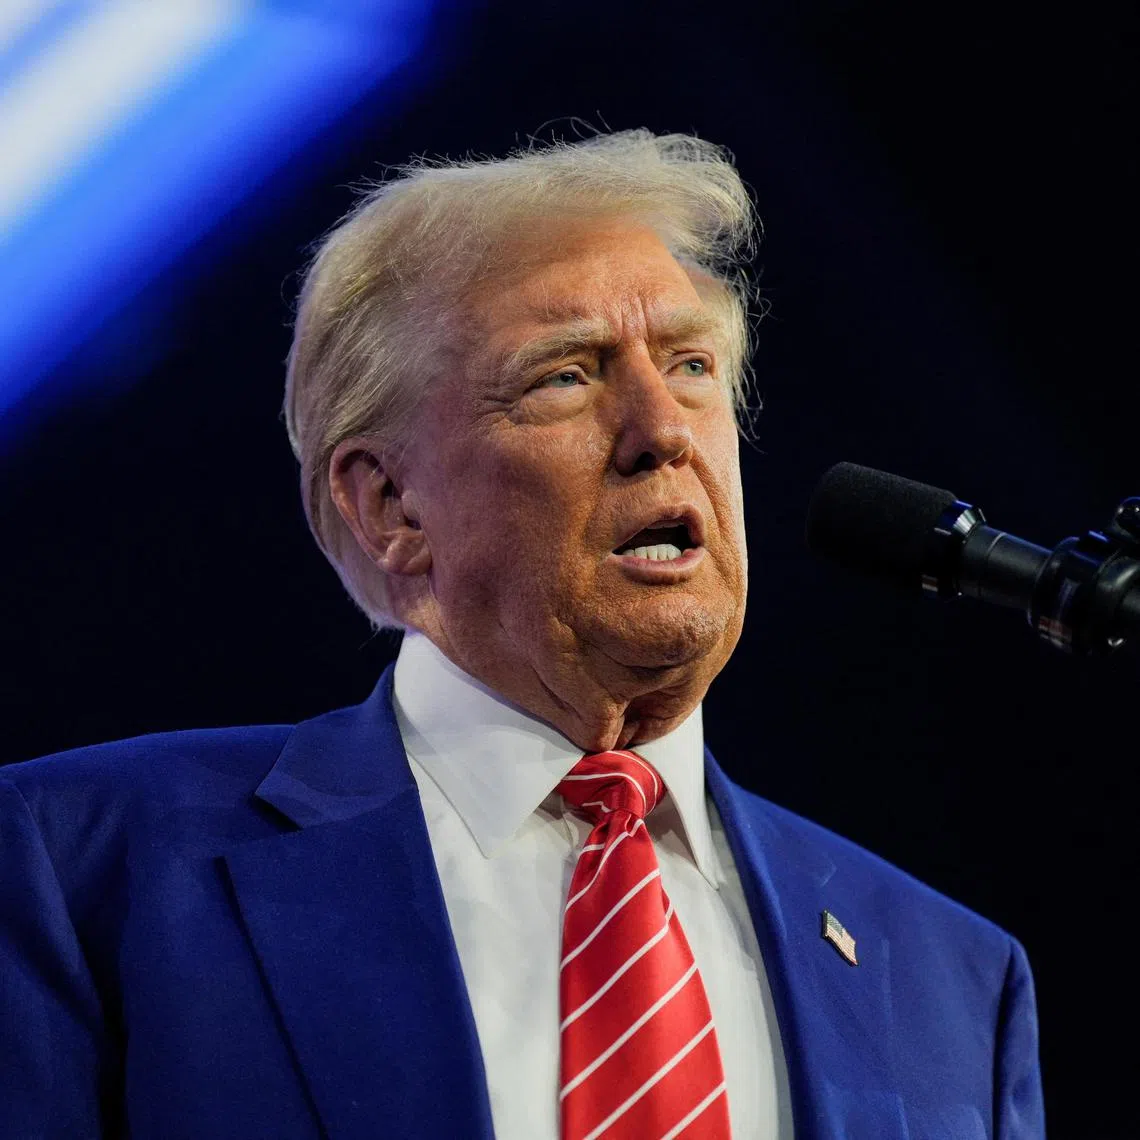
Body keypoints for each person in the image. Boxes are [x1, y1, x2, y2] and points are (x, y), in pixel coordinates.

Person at [0, 131, 1044, 1139]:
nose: (663, 430)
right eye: (567, 376)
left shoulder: (953, 978)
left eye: (690, 366)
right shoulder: (84, 868)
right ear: (391, 507)